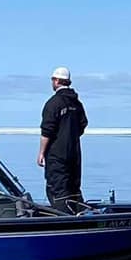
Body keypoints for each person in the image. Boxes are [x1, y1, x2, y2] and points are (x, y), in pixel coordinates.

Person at [37, 66, 88, 213]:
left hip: (56, 155)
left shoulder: (53, 103)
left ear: (57, 80)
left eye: (52, 79)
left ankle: (63, 219)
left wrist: (41, 153)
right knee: (74, 187)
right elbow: (83, 125)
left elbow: (47, 131)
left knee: (57, 189)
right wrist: (69, 137)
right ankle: (80, 214)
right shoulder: (76, 103)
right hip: (74, 153)